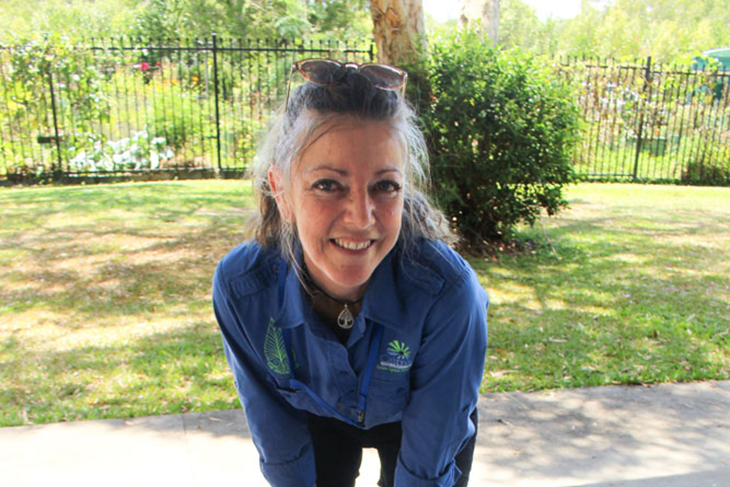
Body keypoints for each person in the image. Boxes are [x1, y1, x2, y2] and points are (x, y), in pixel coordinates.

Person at [212, 58, 488, 487]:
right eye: (327, 184)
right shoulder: (243, 291)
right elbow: (278, 438)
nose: (361, 218)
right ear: (281, 192)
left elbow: (428, 464)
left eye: (385, 186)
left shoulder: (448, 294)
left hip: (418, 417)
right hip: (318, 416)